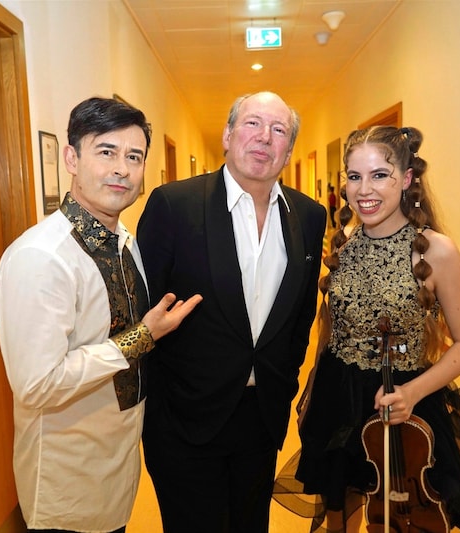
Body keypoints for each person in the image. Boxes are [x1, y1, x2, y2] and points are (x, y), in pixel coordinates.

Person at [273, 126, 460, 532]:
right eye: (354, 176)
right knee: (340, 516)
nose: (363, 189)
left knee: (406, 516)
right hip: (339, 401)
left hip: (404, 402)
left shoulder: (437, 250)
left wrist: (411, 393)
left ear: (406, 179)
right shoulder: (343, 245)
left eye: (379, 175)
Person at [0, 97, 202, 533]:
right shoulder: (42, 257)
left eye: (134, 157)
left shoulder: (124, 241)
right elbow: (37, 385)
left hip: (117, 461)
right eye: (106, 152)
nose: (121, 169)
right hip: (66, 475)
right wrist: (142, 337)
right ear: (71, 157)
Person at [136, 91, 327, 533]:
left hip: (261, 419)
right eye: (252, 124)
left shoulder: (308, 215)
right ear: (227, 135)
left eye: (278, 130)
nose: (264, 138)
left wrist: (284, 380)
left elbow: (300, 315)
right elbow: (144, 312)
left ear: (289, 149)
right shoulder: (174, 205)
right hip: (186, 419)